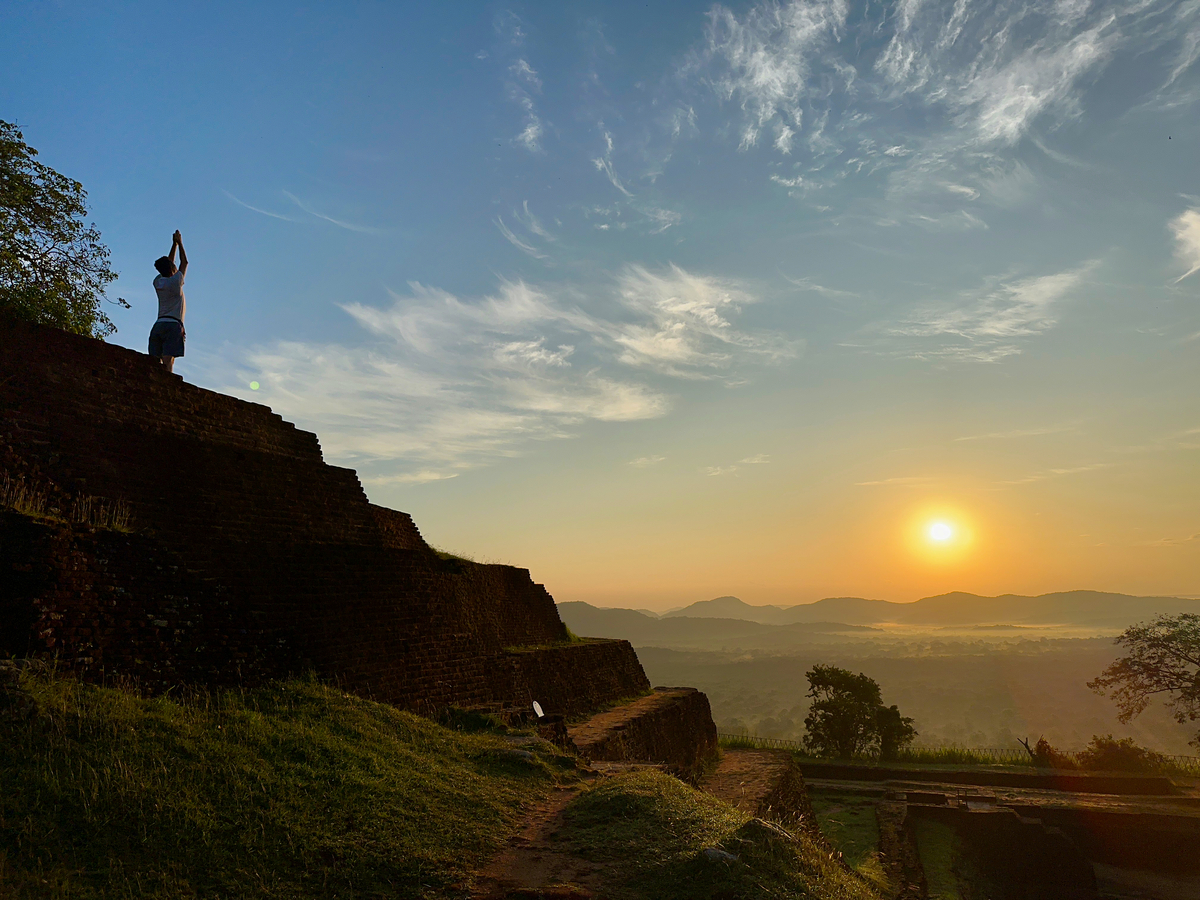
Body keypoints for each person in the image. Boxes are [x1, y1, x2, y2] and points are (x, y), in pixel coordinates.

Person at [149, 230, 188, 373]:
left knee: (154, 362)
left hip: (158, 324)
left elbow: (169, 264)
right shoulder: (176, 281)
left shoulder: (158, 282)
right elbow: (185, 262)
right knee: (168, 362)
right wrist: (180, 243)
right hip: (173, 325)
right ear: (172, 268)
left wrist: (174, 245)